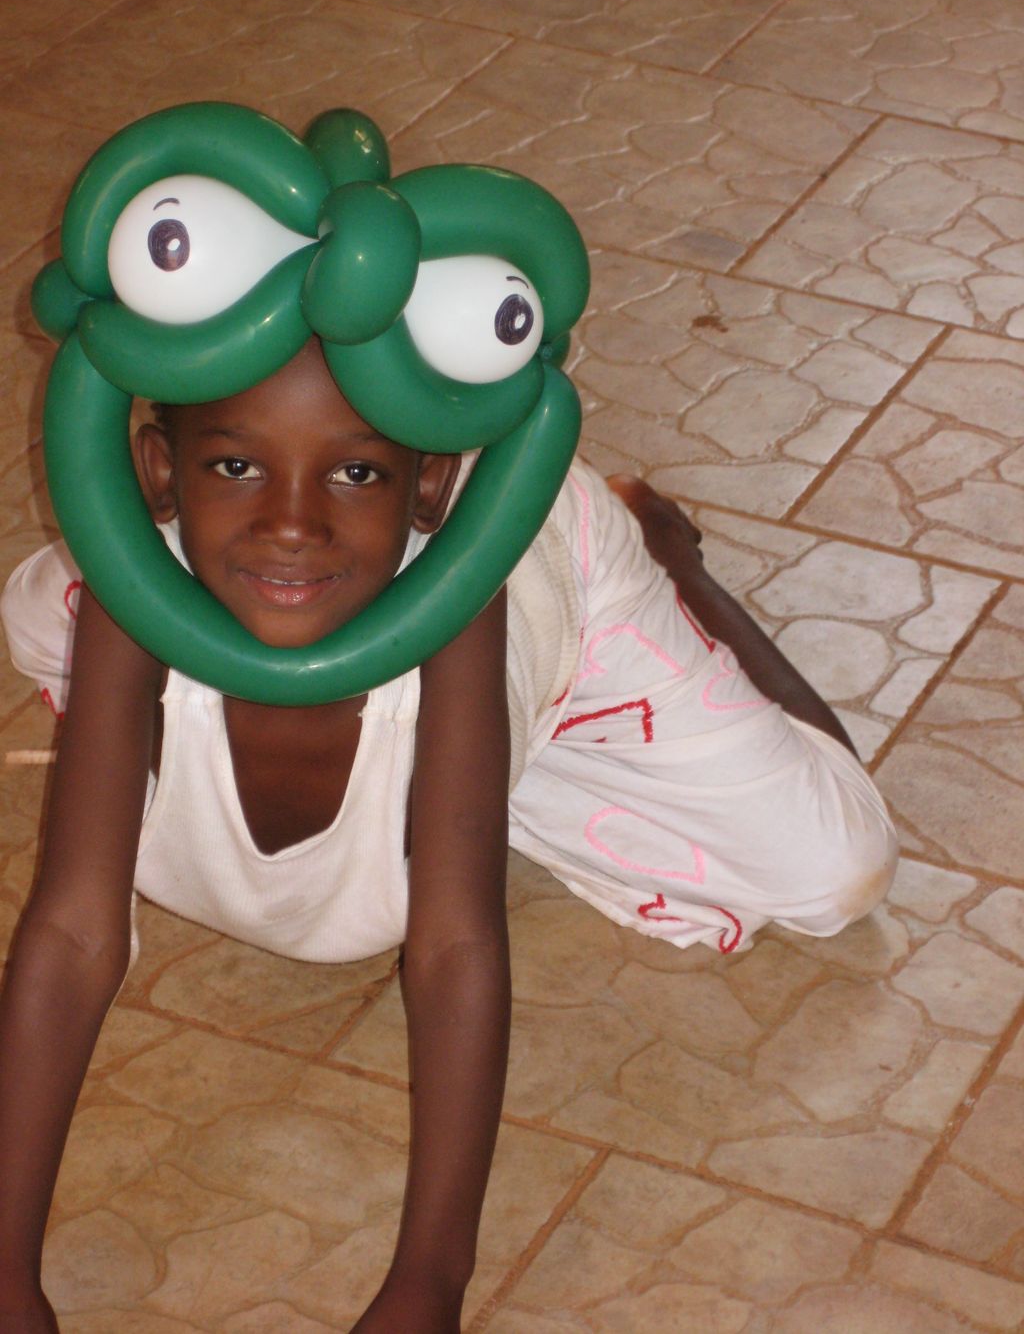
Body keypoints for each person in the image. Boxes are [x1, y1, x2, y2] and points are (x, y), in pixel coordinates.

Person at [0, 336, 897, 1333]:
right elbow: (76, 931)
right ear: (160, 475)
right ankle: (496, 761)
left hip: (557, 582)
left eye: (354, 472)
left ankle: (668, 570)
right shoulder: (135, 583)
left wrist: (428, 1284)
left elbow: (455, 941)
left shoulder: (471, 580)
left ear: (428, 487)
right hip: (337, 654)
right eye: (234, 465)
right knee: (48, 618)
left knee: (837, 869)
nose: (291, 523)